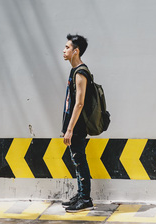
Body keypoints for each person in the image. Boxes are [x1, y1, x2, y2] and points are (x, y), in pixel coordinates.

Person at [61, 33, 94, 212]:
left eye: (67, 47)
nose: (64, 50)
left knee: (80, 161)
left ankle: (85, 199)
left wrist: (70, 129)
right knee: (77, 160)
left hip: (78, 126)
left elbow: (79, 103)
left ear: (76, 51)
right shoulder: (74, 71)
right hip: (74, 126)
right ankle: (81, 194)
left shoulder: (80, 72)